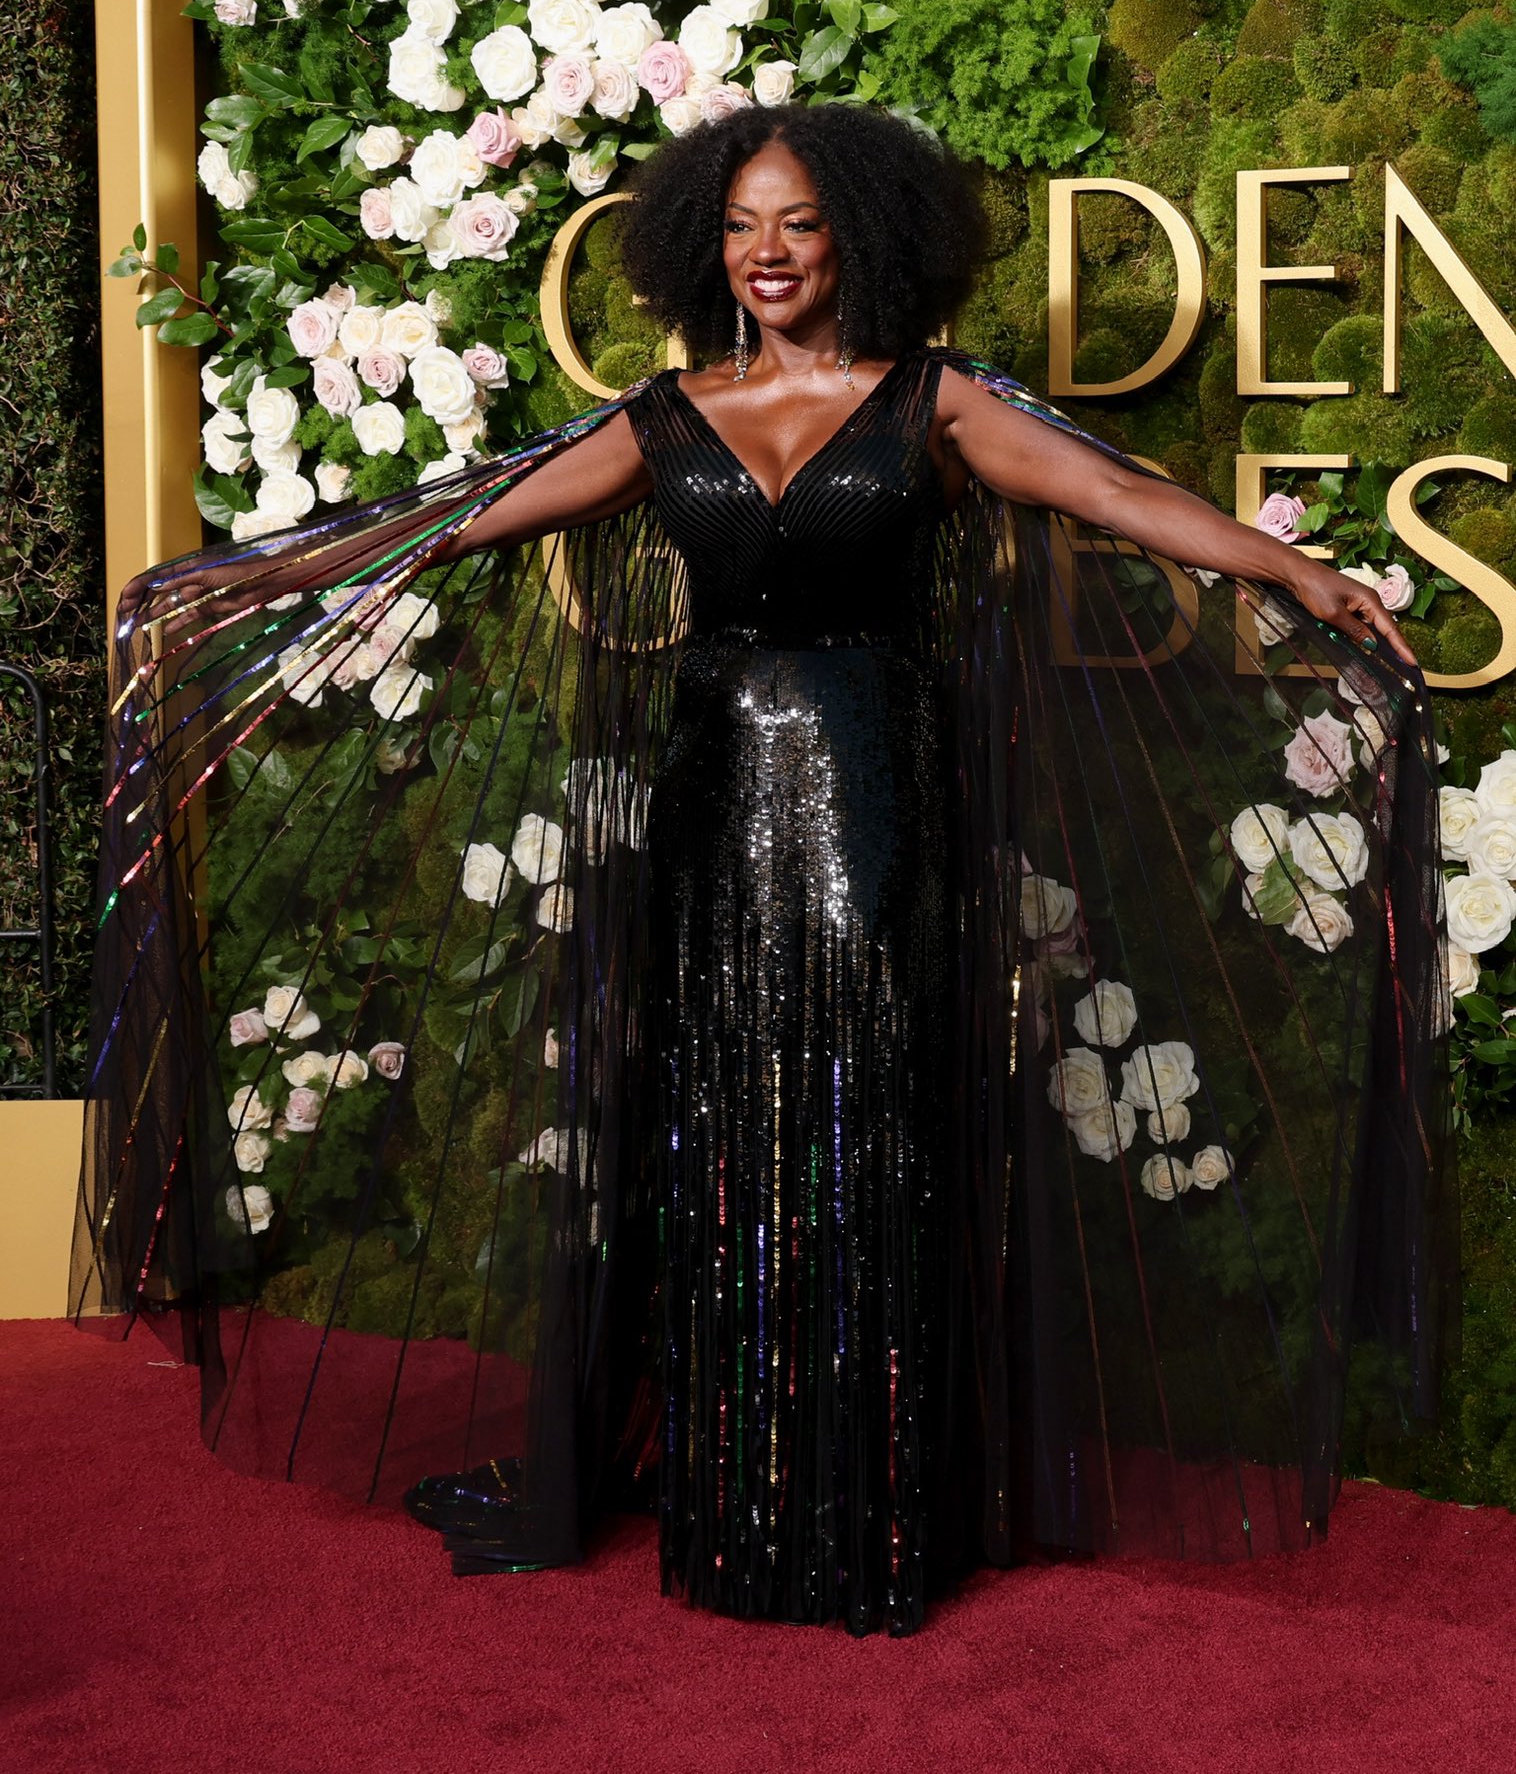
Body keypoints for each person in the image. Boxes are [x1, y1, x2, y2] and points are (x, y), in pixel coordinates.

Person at [73, 103, 1455, 1640]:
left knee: (865, 1116)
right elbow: (456, 526)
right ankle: (743, 1497)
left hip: (875, 791)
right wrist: (258, 576)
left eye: (798, 222)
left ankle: (867, 1508)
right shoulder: (667, 414)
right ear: (703, 246)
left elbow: (1120, 498)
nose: (768, 251)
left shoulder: (930, 402)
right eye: (741, 225)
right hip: (716, 799)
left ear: (859, 235)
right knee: (724, 1118)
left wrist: (1295, 568)